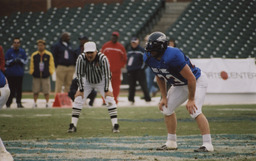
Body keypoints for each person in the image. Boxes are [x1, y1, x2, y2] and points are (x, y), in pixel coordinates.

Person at [144, 32, 214, 152]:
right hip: (179, 84)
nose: (150, 52)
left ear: (161, 47)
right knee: (167, 108)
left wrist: (191, 99)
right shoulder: (149, 57)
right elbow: (159, 77)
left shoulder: (173, 55)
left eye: (153, 48)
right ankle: (171, 142)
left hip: (196, 81)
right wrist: (164, 97)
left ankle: (207, 144)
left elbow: (191, 78)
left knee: (195, 110)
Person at [68, 41, 119, 133]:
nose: (89, 55)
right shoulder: (81, 58)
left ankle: (115, 125)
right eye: (87, 52)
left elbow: (107, 74)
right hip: (87, 80)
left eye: (91, 52)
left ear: (96, 51)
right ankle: (73, 125)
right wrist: (81, 89)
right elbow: (79, 74)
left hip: (102, 80)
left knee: (110, 99)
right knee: (78, 99)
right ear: (84, 52)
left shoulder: (103, 58)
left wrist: (107, 89)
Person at [101, 31, 127, 104]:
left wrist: (119, 66)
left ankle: (114, 100)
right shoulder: (106, 46)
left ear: (117, 38)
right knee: (105, 86)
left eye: (115, 36)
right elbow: (101, 57)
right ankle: (104, 100)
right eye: (113, 36)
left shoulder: (121, 47)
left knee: (116, 87)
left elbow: (124, 59)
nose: (114, 38)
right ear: (111, 37)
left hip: (117, 71)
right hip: (106, 70)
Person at [29, 40, 55, 108]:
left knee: (46, 90)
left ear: (44, 46)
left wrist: (50, 72)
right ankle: (34, 103)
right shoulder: (34, 55)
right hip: (36, 75)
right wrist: (32, 72)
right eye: (39, 45)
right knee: (35, 90)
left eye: (41, 45)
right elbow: (31, 64)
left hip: (45, 75)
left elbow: (51, 64)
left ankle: (47, 103)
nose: (40, 47)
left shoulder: (48, 54)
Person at [126, 37, 151, 104]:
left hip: (139, 71)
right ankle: (131, 99)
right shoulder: (129, 50)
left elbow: (145, 60)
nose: (133, 44)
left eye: (135, 43)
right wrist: (128, 68)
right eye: (132, 43)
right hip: (131, 71)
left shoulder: (141, 50)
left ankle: (147, 98)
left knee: (143, 85)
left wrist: (142, 68)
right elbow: (127, 60)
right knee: (131, 86)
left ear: (137, 43)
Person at [5, 37, 27, 108]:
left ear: (19, 44)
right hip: (11, 74)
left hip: (19, 74)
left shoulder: (22, 52)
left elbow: (25, 61)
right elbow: (6, 62)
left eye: (18, 43)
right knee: (10, 89)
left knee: (19, 89)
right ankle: (8, 103)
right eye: (15, 42)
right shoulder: (9, 52)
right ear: (13, 43)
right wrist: (13, 61)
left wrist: (19, 60)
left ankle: (19, 103)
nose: (16, 44)